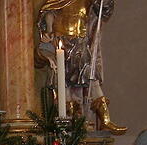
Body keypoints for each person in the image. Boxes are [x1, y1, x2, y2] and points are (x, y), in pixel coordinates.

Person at [37, 0, 126, 133]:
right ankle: (69, 121)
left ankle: (105, 119)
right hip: (61, 44)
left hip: (80, 43)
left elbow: (103, 10)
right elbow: (49, 11)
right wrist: (49, 31)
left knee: (92, 78)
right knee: (64, 84)